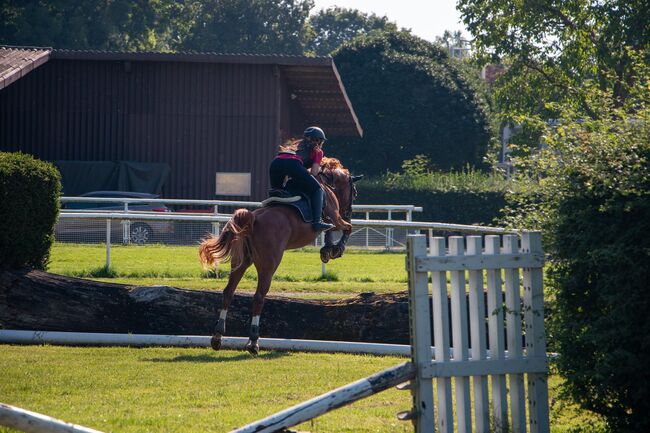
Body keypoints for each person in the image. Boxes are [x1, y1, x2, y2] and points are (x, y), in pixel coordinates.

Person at [269, 126, 335, 232]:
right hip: (293, 164)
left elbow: (291, 170)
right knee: (318, 189)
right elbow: (314, 172)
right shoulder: (318, 151)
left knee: (277, 192)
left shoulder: (294, 146)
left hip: (275, 163)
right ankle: (317, 222)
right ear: (318, 140)